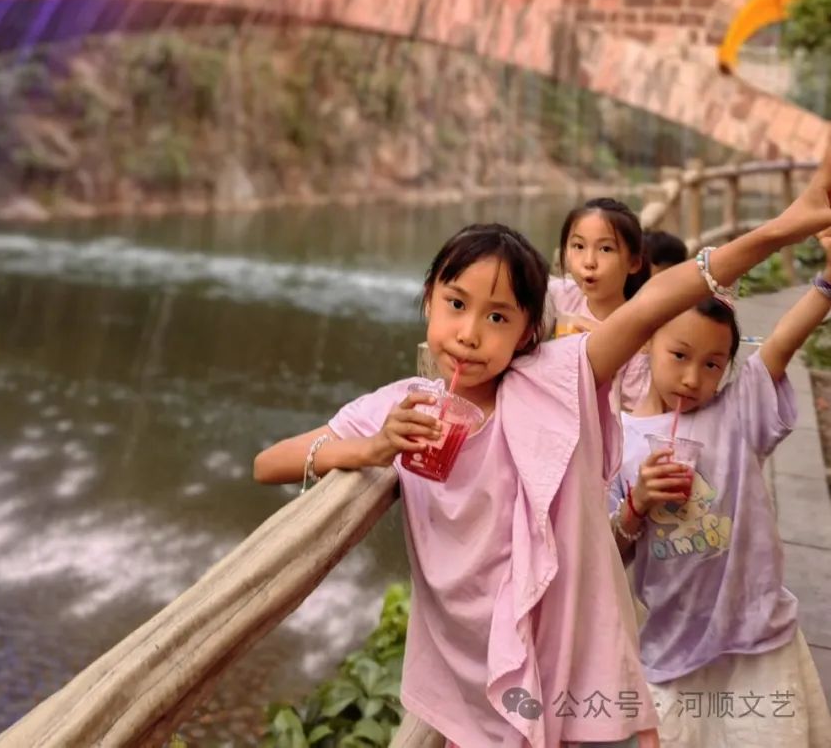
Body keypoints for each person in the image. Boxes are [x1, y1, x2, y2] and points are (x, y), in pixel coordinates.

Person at [253, 135, 831, 748]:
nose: (470, 333)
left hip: (566, 659)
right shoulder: (400, 407)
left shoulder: (556, 379)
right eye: (456, 304)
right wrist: (370, 450)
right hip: (469, 669)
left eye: (499, 316)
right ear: (429, 301)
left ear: (531, 330)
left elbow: (657, 301)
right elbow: (270, 462)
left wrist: (781, 230)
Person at [608, 226, 831, 747]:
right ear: (647, 341)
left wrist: (825, 282)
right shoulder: (618, 443)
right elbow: (612, 547)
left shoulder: (737, 412)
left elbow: (781, 343)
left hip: (754, 632)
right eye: (679, 355)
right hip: (671, 641)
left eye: (712, 365)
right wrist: (638, 503)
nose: (692, 378)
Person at [550, 198, 652, 410]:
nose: (589, 261)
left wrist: (608, 353)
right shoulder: (561, 296)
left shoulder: (638, 335)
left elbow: (636, 408)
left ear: (634, 262)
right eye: (578, 246)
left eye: (605, 249)